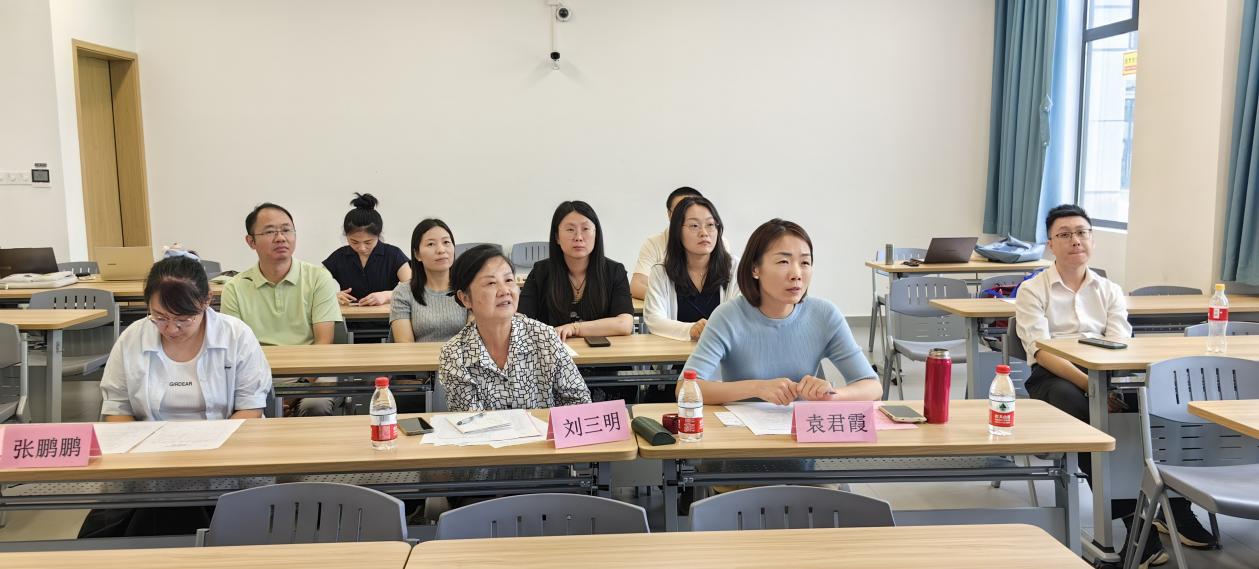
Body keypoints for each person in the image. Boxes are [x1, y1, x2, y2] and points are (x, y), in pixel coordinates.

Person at [1016, 204, 1206, 567]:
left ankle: (1175, 506)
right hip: (1055, 379)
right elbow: (1042, 352)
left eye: (1082, 232)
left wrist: (1105, 387)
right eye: (1064, 234)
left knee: (1160, 410)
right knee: (1091, 419)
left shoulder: (1109, 290)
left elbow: (1120, 343)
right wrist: (1090, 386)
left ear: (1092, 239)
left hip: (1108, 376)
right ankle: (1136, 524)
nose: (1075, 240)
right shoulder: (1032, 290)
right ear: (1050, 244)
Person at [81, 254, 271, 538]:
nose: (171, 329)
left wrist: (207, 458)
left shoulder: (236, 336)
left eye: (184, 319)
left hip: (224, 458)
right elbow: (117, 409)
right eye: (160, 317)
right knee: (105, 536)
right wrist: (140, 455)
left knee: (228, 528)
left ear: (206, 301)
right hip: (148, 463)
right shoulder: (132, 339)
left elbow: (250, 410)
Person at [682, 219, 881, 404]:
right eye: (783, 262)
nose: (796, 274)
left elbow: (873, 387)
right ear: (755, 269)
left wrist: (830, 395)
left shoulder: (825, 314)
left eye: (805, 263)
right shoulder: (727, 316)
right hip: (741, 429)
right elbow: (686, 387)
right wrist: (757, 388)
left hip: (802, 427)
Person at [221, 202, 343, 416]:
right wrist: (263, 394)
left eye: (286, 230)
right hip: (256, 376)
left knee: (316, 405)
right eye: (270, 232)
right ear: (251, 241)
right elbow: (234, 351)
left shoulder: (318, 278)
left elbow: (323, 343)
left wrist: (296, 390)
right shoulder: (235, 288)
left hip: (311, 373)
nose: (280, 238)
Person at [438, 245, 592, 411]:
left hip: (545, 429)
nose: (504, 291)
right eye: (491, 283)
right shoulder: (454, 354)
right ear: (465, 298)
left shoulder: (544, 337)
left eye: (509, 280)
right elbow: (469, 420)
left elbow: (580, 403)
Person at [519, 200, 633, 340]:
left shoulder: (614, 271)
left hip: (603, 352)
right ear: (557, 237)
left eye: (585, 229)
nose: (578, 237)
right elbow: (521, 321)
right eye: (570, 230)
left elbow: (624, 324)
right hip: (555, 352)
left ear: (596, 235)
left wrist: (575, 328)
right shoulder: (540, 272)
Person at [644, 196, 738, 341]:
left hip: (722, 353)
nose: (704, 232)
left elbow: (741, 316)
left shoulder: (734, 268)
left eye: (710, 224)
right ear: (677, 231)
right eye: (694, 226)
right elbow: (654, 319)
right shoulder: (662, 272)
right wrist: (690, 329)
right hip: (675, 354)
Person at [323, 193, 411, 307]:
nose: (362, 248)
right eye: (354, 242)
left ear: (378, 235)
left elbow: (413, 289)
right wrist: (331, 295)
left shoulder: (394, 255)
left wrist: (387, 295)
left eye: (368, 242)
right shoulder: (339, 256)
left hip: (387, 317)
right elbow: (314, 286)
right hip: (348, 317)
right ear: (346, 235)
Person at [390, 218, 467, 343]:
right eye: (431, 244)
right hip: (418, 356)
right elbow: (405, 346)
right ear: (417, 254)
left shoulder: (468, 288)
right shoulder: (403, 293)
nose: (441, 250)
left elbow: (474, 339)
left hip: (463, 356)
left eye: (446, 242)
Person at [631, 186, 705, 299]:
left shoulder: (714, 242)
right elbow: (637, 286)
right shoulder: (654, 243)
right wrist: (673, 302)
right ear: (669, 215)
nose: (687, 217)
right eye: (680, 211)